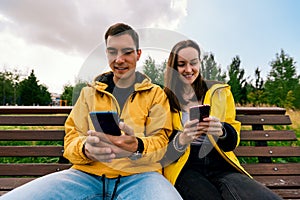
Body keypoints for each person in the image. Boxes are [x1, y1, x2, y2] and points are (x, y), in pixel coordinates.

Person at [1, 23, 182, 200]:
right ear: (106, 53)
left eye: (127, 52)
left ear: (138, 54)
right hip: (86, 175)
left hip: (141, 177)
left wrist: (137, 146)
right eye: (112, 52)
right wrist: (86, 149)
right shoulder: (89, 94)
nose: (119, 59)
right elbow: (71, 139)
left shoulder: (156, 94)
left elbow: (161, 143)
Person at [162, 40, 282, 200]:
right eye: (182, 64)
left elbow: (232, 140)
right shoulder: (163, 99)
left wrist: (222, 131)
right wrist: (182, 139)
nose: (189, 69)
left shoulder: (219, 92)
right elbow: (161, 149)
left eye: (193, 63)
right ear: (173, 67)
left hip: (220, 164)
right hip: (185, 168)